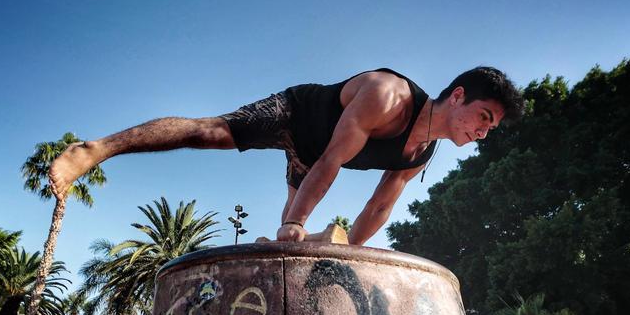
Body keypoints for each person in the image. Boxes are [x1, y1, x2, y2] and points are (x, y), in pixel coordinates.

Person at [49, 68, 523, 245]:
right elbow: (334, 161)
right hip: (296, 116)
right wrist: (295, 221)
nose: (482, 132)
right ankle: (96, 149)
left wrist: (353, 255)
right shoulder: (389, 95)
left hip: (310, 162)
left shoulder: (421, 153)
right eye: (483, 116)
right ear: (457, 95)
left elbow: (379, 207)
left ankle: (295, 235)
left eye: (490, 129)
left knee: (291, 241)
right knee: (210, 132)